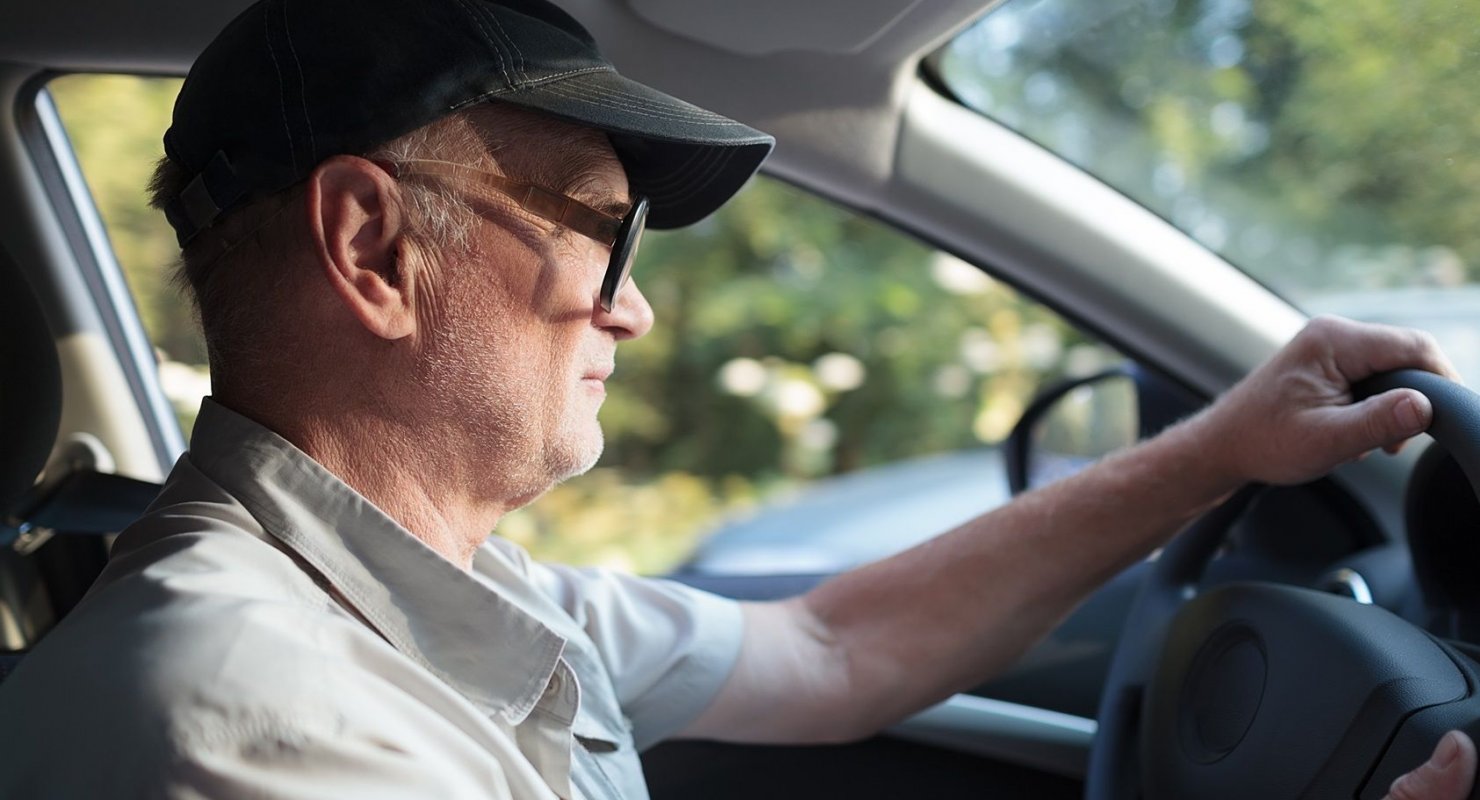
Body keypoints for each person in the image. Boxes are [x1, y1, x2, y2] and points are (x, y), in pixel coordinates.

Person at [0, 0, 1473, 798]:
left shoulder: (441, 598)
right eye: (603, 230)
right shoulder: (243, 719)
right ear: (376, 249)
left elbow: (832, 647)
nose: (633, 304)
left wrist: (1218, 446)